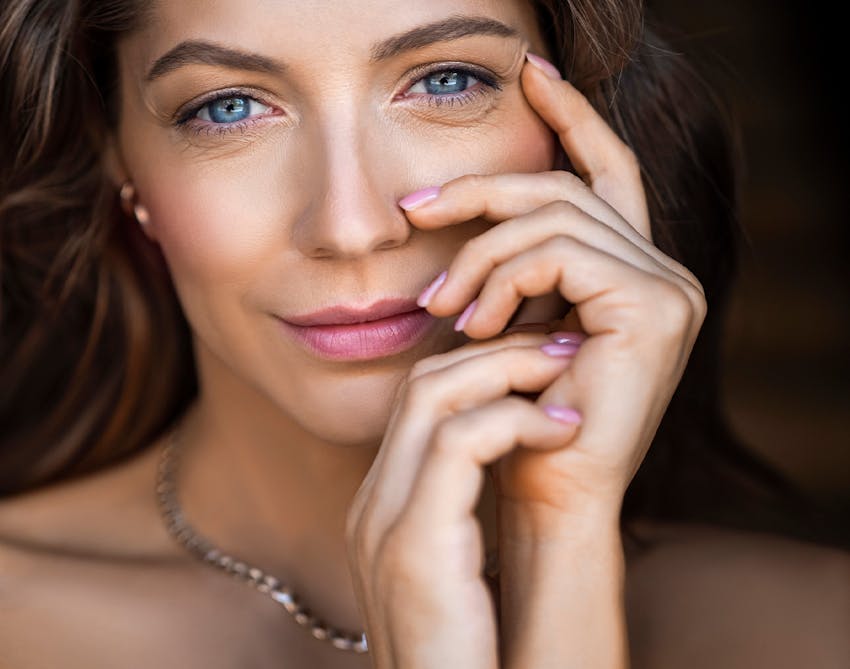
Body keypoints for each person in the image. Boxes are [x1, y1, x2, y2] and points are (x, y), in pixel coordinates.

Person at [0, 0, 847, 667]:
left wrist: (557, 550)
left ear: (576, 130)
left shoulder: (818, 628)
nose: (351, 225)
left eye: (445, 81)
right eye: (228, 107)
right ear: (121, 161)